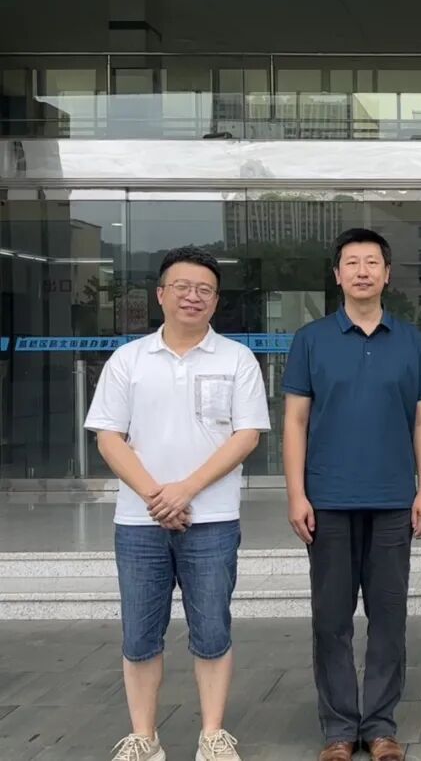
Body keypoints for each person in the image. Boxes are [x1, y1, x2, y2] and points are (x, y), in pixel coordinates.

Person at [85, 246, 270, 761]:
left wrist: (185, 490)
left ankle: (212, 734)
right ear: (161, 294)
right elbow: (108, 437)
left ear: (216, 300)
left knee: (212, 629)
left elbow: (247, 435)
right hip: (139, 523)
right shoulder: (129, 360)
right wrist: (156, 496)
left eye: (205, 289)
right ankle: (144, 736)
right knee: (140, 634)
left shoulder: (237, 359)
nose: (194, 296)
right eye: (183, 287)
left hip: (212, 520)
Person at [282, 228, 421, 761]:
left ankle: (380, 727)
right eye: (352, 262)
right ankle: (338, 730)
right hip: (327, 501)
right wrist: (296, 493)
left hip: (394, 500)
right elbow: (295, 421)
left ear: (387, 274)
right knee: (331, 620)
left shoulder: (412, 341)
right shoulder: (311, 339)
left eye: (372, 262)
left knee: (388, 618)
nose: (363, 271)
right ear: (337, 274)